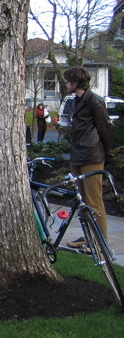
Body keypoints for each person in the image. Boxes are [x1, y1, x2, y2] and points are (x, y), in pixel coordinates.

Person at [63, 67, 114, 250]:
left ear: (75, 83)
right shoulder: (77, 101)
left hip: (92, 156)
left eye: (68, 81)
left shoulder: (94, 101)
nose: (66, 84)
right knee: (84, 201)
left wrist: (105, 155)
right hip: (78, 156)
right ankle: (89, 236)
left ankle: (100, 242)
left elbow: (106, 128)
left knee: (94, 201)